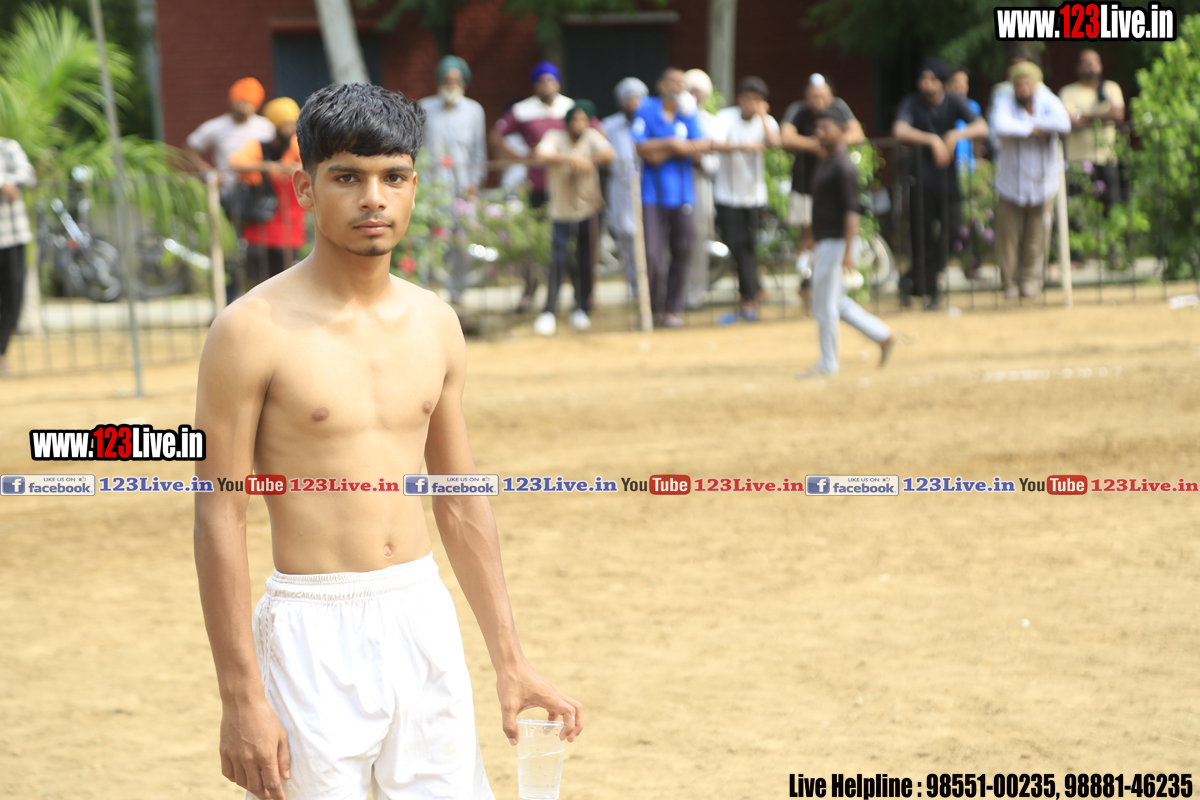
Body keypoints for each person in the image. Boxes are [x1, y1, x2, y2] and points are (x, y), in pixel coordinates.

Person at [193, 84, 582, 800]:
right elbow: (219, 511)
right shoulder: (249, 330)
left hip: (421, 614)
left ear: (413, 186)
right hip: (311, 627)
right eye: (347, 177)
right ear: (305, 188)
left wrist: (510, 660)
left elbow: (459, 499)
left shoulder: (436, 323)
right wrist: (240, 696)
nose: (373, 199)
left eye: (393, 177)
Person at [799, 105, 893, 378]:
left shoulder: (843, 167)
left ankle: (828, 363)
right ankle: (882, 335)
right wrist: (812, 238)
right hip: (826, 240)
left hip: (837, 242)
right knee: (835, 301)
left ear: (842, 131)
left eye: (825, 128)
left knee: (824, 305)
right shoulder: (827, 160)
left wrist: (849, 250)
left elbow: (852, 211)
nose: (819, 132)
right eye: (818, 127)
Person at [892, 58, 988, 310]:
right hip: (920, 182)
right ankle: (930, 290)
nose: (927, 84)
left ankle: (910, 280)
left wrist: (957, 133)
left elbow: (982, 127)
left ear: (943, 83)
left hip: (948, 182)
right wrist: (932, 140)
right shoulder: (912, 103)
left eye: (933, 79)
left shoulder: (954, 102)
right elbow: (900, 130)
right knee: (921, 238)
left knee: (953, 233)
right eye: (923, 79)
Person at [490, 62, 577, 312]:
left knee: (569, 242)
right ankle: (530, 291)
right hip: (536, 186)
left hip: (566, 186)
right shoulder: (522, 110)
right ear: (535, 85)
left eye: (551, 81)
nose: (547, 86)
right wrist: (520, 158)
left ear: (558, 83)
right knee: (533, 242)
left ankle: (577, 296)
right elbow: (496, 136)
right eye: (542, 81)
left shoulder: (570, 107)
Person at [632, 67, 711, 328]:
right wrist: (674, 145)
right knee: (652, 255)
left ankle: (672, 310)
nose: (677, 87)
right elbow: (641, 147)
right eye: (673, 82)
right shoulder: (647, 108)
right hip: (651, 195)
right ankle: (652, 308)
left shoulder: (687, 112)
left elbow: (702, 143)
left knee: (682, 250)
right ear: (661, 84)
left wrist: (664, 149)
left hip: (683, 195)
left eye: (681, 83)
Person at [781, 75, 865, 311]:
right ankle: (807, 283)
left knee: (832, 300)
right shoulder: (798, 110)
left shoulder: (842, 165)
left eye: (823, 96)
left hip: (832, 201)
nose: (818, 101)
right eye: (813, 96)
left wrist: (831, 143)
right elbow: (785, 137)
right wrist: (816, 145)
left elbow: (857, 134)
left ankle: (824, 291)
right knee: (807, 237)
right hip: (805, 187)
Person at [534, 101, 615, 335]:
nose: (579, 124)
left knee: (585, 260)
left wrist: (588, 160)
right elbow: (540, 154)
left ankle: (581, 306)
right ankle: (549, 310)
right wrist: (569, 159)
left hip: (588, 209)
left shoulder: (592, 137)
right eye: (575, 120)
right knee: (558, 261)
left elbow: (609, 153)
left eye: (583, 120)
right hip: (561, 211)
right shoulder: (555, 137)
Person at [991, 62, 1071, 300]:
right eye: (1019, 85)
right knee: (1008, 237)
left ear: (1035, 85)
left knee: (1036, 237)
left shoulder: (1047, 99)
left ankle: (1030, 282)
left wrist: (1028, 127)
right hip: (1010, 184)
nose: (1023, 89)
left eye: (1027, 84)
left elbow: (1063, 124)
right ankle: (1009, 283)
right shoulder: (1004, 101)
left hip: (1042, 184)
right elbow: (1000, 126)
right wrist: (1035, 129)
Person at [710, 76, 782, 324]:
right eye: (748, 99)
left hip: (754, 195)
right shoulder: (725, 118)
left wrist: (763, 116)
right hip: (727, 194)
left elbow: (775, 143)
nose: (751, 104)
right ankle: (753, 292)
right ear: (739, 99)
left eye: (757, 100)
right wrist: (744, 146)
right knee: (735, 244)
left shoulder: (766, 121)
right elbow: (714, 143)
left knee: (749, 246)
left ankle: (749, 298)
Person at [420, 56, 489, 302]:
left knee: (462, 242)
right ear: (440, 81)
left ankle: (457, 293)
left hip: (462, 190)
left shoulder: (474, 110)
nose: (451, 83)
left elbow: (479, 151)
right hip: (431, 189)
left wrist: (474, 182)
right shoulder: (424, 108)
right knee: (429, 242)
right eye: (447, 79)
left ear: (463, 82)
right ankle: (425, 294)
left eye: (456, 79)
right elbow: (417, 149)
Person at [228, 97, 307, 288]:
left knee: (290, 280)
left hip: (290, 226)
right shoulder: (259, 147)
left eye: (292, 124)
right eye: (284, 124)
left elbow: (312, 167)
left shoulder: (299, 145)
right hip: (261, 226)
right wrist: (269, 167)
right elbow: (234, 163)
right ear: (275, 125)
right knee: (260, 281)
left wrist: (293, 168)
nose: (289, 129)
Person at [1059, 48, 1125, 243]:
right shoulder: (1068, 92)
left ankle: (1113, 250)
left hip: (1107, 157)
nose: (1091, 66)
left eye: (1095, 62)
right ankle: (1077, 253)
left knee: (1111, 207)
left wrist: (1084, 115)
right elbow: (1070, 122)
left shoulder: (1111, 88)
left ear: (1101, 66)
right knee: (1077, 209)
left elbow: (1118, 115)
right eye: (1087, 62)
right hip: (1077, 160)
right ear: (1078, 68)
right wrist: (1102, 115)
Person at [602, 78, 648, 299]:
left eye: (638, 98)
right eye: (629, 98)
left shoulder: (650, 121)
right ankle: (634, 287)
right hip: (620, 188)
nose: (634, 103)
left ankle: (652, 286)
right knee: (626, 238)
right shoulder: (609, 126)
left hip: (648, 187)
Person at [187, 78, 276, 192]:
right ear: (232, 100)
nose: (244, 106)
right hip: (228, 190)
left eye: (249, 102)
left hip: (261, 190)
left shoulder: (266, 127)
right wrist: (208, 173)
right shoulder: (216, 126)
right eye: (241, 101)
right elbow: (190, 149)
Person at [682, 69, 721, 311]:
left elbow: (715, 163)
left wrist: (700, 160)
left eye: (699, 92)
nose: (695, 96)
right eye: (691, 91)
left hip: (700, 186)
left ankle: (695, 293)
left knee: (699, 239)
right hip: (675, 186)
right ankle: (674, 292)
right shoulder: (673, 118)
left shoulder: (711, 123)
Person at [0, 137, 35, 376]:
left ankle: (0, 351)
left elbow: (28, 174)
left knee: (14, 296)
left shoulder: (8, 147)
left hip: (13, 236)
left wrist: (8, 182)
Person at [945, 66, 983, 279]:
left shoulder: (972, 107)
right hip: (949, 170)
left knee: (973, 219)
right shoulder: (944, 106)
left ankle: (972, 264)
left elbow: (978, 138)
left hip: (968, 170)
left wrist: (979, 161)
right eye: (956, 83)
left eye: (964, 84)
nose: (961, 88)